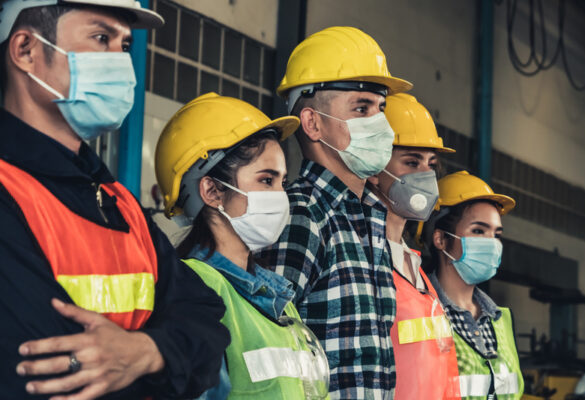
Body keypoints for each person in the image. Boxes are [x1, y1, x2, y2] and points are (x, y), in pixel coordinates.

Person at [0, 1, 229, 398]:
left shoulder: (116, 201)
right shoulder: (8, 191)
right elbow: (42, 374)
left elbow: (209, 326)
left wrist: (146, 351)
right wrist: (170, 360)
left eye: (123, 46)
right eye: (101, 38)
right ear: (26, 51)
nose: (122, 64)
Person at [259, 26, 412, 399]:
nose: (380, 124)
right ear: (312, 123)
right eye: (361, 108)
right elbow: (274, 350)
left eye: (381, 109)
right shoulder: (301, 215)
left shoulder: (371, 217)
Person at [154, 92, 330, 399]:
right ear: (212, 190)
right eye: (266, 180)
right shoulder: (196, 287)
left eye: (282, 182)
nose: (280, 196)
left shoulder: (276, 298)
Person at [368, 93, 460, 399]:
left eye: (430, 163)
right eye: (410, 161)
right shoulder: (363, 262)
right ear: (373, 169)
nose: (424, 174)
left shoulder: (415, 266)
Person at [422, 171, 524, 400]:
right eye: (478, 231)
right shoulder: (422, 314)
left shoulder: (501, 320)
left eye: (496, 234)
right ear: (440, 239)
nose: (492, 243)